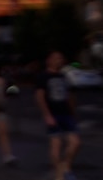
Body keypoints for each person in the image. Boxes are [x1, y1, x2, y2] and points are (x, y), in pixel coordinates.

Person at [36, 51, 81, 180]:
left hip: (66, 113)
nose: (59, 61)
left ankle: (65, 165)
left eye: (61, 58)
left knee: (75, 142)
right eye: (56, 58)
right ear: (49, 60)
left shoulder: (64, 76)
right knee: (56, 145)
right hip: (53, 113)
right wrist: (47, 114)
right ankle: (59, 175)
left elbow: (70, 95)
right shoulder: (44, 77)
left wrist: (73, 111)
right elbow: (39, 97)